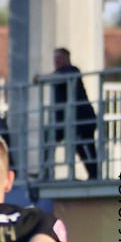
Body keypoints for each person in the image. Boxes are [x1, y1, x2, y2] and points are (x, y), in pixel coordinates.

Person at [45, 47, 99, 179]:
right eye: (55, 59)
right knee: (49, 139)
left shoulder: (72, 70)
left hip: (81, 118)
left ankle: (94, 174)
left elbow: (61, 77)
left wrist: (41, 78)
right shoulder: (59, 74)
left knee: (84, 146)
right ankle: (45, 171)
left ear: (66, 59)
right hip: (66, 120)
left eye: (59, 58)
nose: (56, 62)